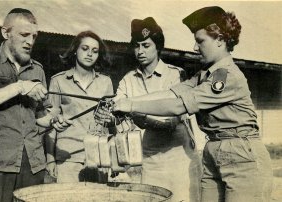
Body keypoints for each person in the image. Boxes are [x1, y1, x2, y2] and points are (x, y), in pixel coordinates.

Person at [112, 6, 273, 202]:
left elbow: (178, 106)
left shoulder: (226, 76)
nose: (195, 48)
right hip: (213, 150)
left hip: (242, 156)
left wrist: (129, 106)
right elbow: (170, 92)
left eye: (200, 41)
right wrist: (122, 101)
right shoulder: (204, 75)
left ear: (221, 40)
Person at [96, 17, 201, 202]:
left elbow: (172, 119)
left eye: (146, 45)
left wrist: (138, 116)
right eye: (136, 46)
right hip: (150, 159)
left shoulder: (175, 74)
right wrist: (107, 116)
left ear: (158, 46)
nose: (140, 51)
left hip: (179, 159)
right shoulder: (128, 80)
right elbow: (116, 111)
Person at [0, 8, 71, 202]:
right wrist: (20, 87)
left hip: (33, 164)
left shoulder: (37, 69)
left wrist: (54, 120)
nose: (30, 42)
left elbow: (39, 118)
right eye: (24, 35)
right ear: (6, 33)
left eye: (34, 36)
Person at [44, 31, 114, 183]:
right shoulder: (58, 81)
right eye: (85, 48)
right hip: (68, 157)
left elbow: (109, 122)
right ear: (75, 50)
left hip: (98, 157)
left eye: (95, 51)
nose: (90, 54)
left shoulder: (106, 82)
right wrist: (50, 159)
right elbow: (50, 123)